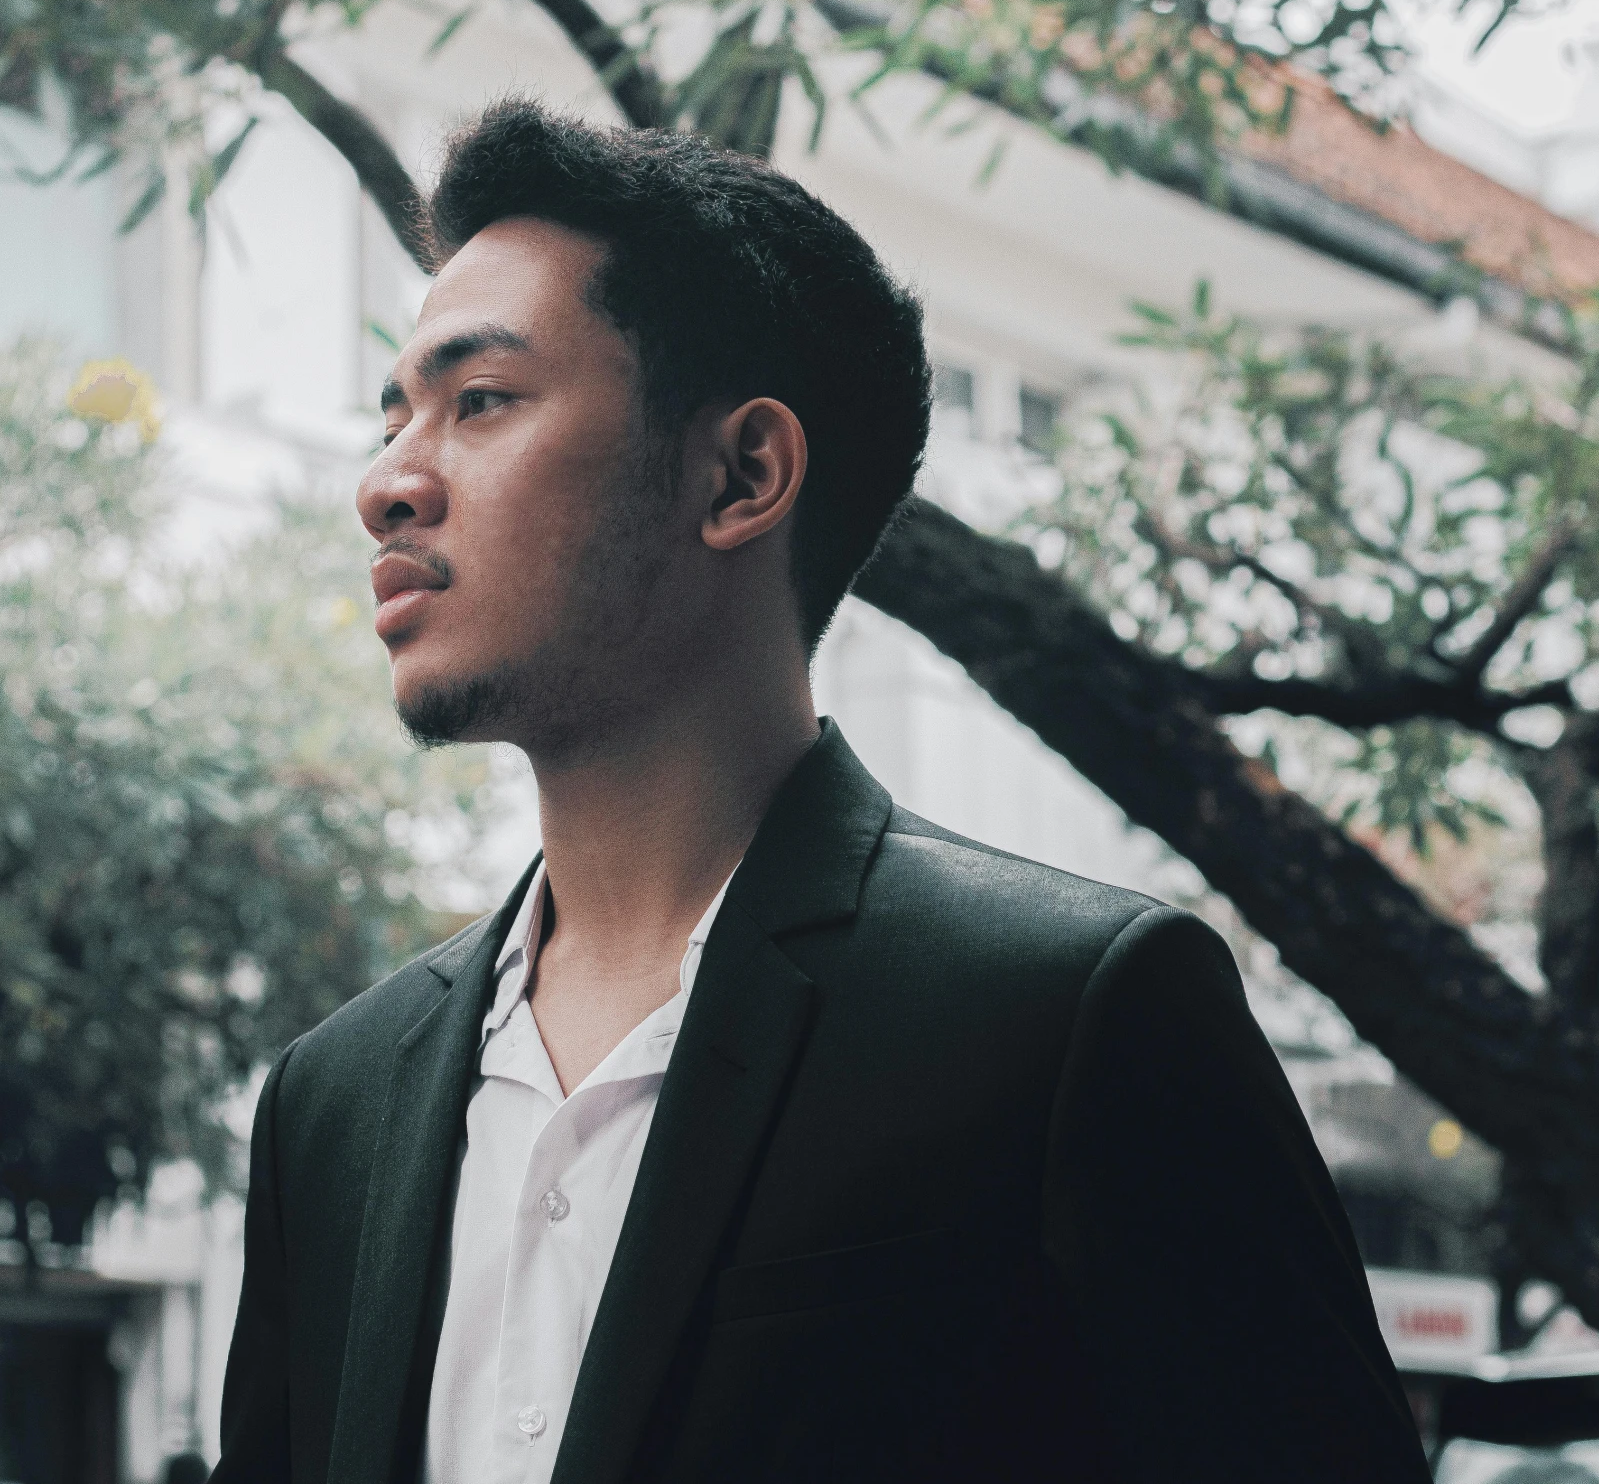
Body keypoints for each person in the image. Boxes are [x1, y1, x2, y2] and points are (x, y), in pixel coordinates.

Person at [209, 98, 1429, 1484]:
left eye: (478, 400)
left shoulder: (1069, 1017)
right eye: (395, 415)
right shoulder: (331, 1105)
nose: (386, 483)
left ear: (743, 472)